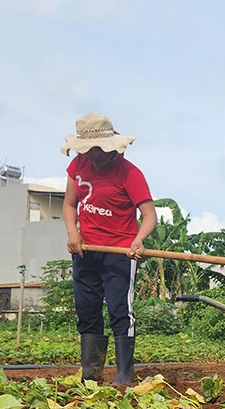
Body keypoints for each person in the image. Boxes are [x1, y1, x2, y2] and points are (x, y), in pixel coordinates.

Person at [61, 112, 157, 385]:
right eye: (88, 149)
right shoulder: (78, 166)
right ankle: (91, 374)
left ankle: (125, 373)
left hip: (119, 253)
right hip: (85, 250)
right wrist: (73, 232)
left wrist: (138, 240)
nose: (94, 155)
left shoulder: (129, 173)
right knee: (87, 309)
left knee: (119, 310)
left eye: (99, 149)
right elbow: (69, 205)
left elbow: (149, 215)